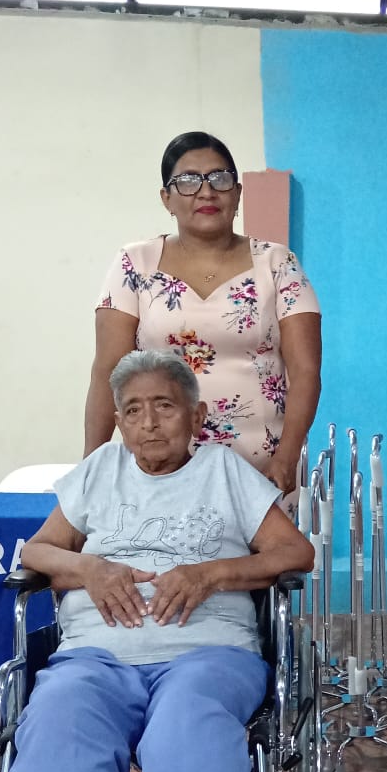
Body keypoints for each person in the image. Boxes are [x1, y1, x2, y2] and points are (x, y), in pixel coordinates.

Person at [7, 350, 314, 772]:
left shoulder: (224, 471)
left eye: (164, 406)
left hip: (207, 654)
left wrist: (212, 573)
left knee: (189, 731)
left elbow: (295, 553)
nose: (148, 423)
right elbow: (36, 552)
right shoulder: (98, 472)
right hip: (96, 657)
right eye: (133, 411)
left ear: (195, 416)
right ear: (118, 421)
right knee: (55, 732)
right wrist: (90, 568)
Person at [84, 130, 321, 499]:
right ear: (166, 198)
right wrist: (91, 467)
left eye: (219, 179)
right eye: (188, 181)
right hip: (161, 469)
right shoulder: (135, 263)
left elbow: (305, 372)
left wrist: (287, 457)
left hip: (263, 473)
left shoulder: (278, 263)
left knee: (267, 540)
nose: (206, 192)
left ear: (237, 194)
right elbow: (107, 371)